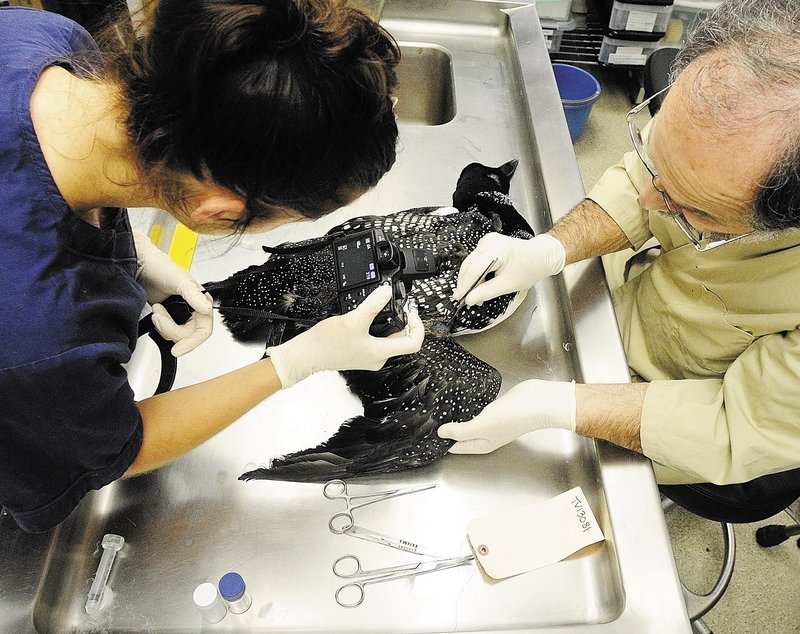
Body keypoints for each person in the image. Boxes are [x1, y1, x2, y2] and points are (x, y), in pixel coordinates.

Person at [0, 0, 424, 533]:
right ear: (218, 209)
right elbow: (114, 449)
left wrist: (130, 253)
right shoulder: (38, 337)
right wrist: (292, 363)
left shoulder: (41, 39)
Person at [439, 0, 800, 486]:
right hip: (623, 302)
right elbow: (640, 184)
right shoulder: (739, 97)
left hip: (678, 400)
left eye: (694, 208)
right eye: (660, 163)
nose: (651, 198)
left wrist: (560, 406)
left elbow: (736, 426)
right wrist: (551, 248)